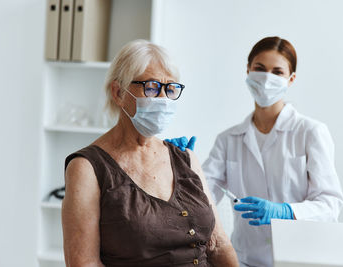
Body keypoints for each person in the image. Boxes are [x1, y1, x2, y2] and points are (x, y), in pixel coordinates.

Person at [168, 36, 343, 267]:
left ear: (290, 79)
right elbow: (202, 196)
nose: (267, 78)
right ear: (248, 70)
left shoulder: (310, 132)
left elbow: (330, 204)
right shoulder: (229, 139)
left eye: (277, 72)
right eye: (260, 69)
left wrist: (285, 211)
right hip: (244, 260)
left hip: (300, 259)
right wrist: (183, 167)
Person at [61, 39, 239, 267]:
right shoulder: (87, 168)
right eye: (152, 87)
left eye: (171, 88)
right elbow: (83, 263)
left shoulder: (185, 158)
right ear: (118, 92)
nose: (163, 99)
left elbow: (219, 244)